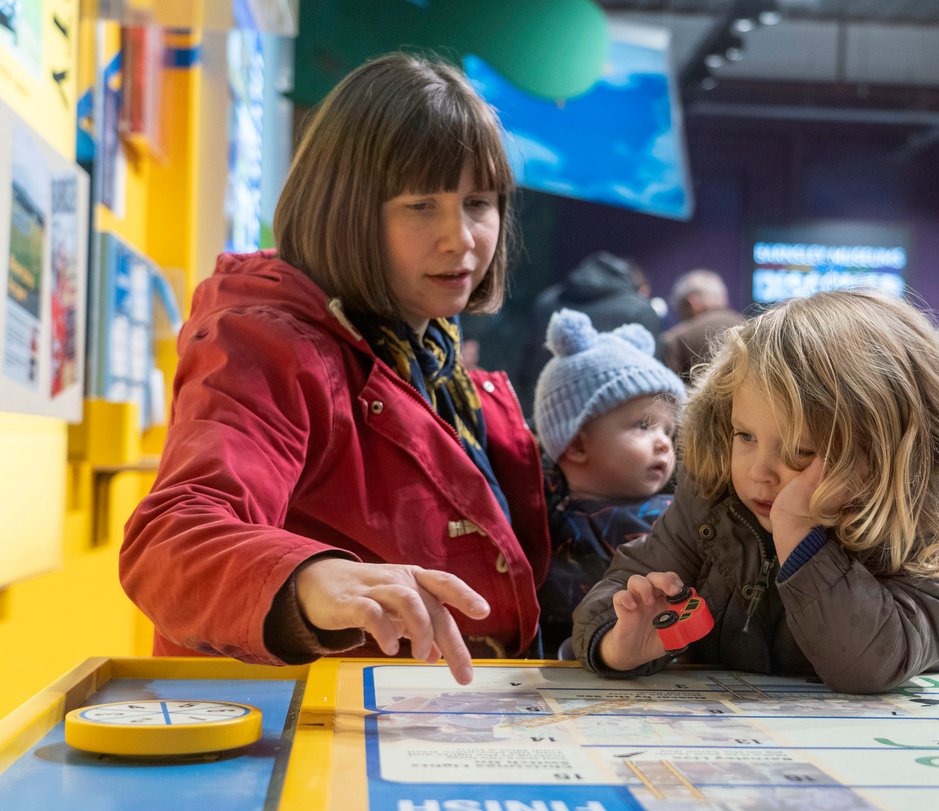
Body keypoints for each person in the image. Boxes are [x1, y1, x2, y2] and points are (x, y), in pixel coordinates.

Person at [119, 53, 550, 685]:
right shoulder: (268, 345)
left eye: (478, 203)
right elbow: (172, 537)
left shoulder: (432, 357)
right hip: (304, 747)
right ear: (346, 208)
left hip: (425, 733)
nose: (460, 238)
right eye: (421, 205)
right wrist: (307, 578)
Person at [572, 290, 939, 694]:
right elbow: (620, 586)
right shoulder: (715, 494)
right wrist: (618, 643)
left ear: (883, 451)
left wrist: (800, 536)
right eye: (744, 435)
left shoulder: (923, 517)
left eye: (800, 451)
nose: (758, 471)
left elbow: (872, 664)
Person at [532, 309, 686, 655]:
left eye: (668, 430)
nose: (663, 442)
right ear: (577, 443)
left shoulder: (681, 514)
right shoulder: (545, 524)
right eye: (643, 426)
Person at [517, 251, 664, 408]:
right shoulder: (640, 310)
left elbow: (526, 364)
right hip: (613, 418)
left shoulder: (546, 301)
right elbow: (652, 379)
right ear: (638, 284)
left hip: (545, 409)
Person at [661, 269, 744, 382]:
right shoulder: (751, 327)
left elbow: (670, 394)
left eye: (680, 308)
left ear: (692, 302)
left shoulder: (676, 338)